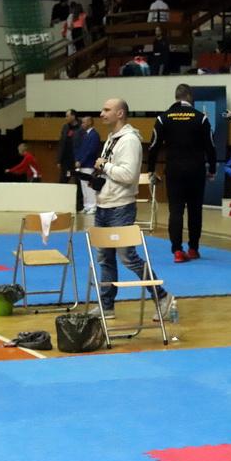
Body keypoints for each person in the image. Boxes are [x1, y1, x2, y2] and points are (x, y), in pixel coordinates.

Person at [91, 98, 174, 320]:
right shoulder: (112, 139)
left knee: (128, 257)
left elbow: (128, 175)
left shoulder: (129, 140)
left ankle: (162, 297)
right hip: (104, 205)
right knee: (105, 259)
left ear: (120, 114)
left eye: (106, 110)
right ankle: (106, 306)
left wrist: (104, 165)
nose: (101, 113)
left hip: (120, 207)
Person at [147, 84, 217, 263]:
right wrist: (212, 169)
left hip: (174, 171)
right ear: (190, 97)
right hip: (196, 170)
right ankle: (193, 248)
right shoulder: (201, 118)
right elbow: (210, 146)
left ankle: (177, 251)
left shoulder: (163, 118)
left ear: (176, 96)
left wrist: (151, 169)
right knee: (195, 210)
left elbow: (153, 146)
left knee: (176, 211)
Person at [74, 116, 101, 214]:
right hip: (83, 165)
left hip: (89, 164)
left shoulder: (94, 135)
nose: (82, 124)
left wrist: (81, 161)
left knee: (89, 186)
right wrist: (77, 160)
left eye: (84, 122)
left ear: (89, 122)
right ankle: (87, 205)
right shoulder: (85, 135)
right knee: (84, 186)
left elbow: (90, 151)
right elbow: (81, 150)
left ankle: (93, 206)